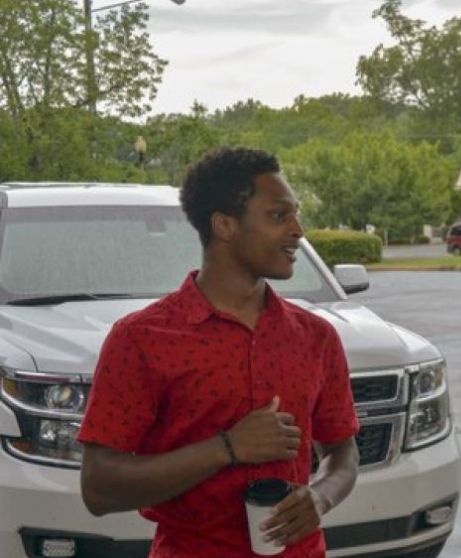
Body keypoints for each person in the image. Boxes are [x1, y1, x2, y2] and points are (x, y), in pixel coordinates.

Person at [78, 147, 360, 557]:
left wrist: (321, 498)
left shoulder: (315, 336)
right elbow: (98, 488)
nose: (298, 229)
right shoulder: (141, 339)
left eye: (295, 215)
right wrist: (227, 447)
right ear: (225, 226)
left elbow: (343, 451)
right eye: (279, 216)